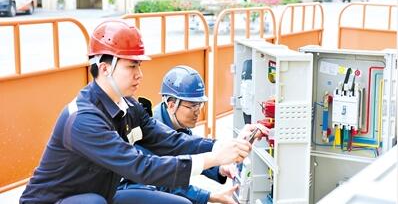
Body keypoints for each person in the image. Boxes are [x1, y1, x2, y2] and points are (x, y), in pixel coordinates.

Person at [20, 19, 255, 204]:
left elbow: (170, 141)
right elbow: (141, 168)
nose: (139, 74)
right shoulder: (83, 119)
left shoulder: (128, 106)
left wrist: (224, 146)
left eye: (139, 65)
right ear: (105, 68)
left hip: (100, 193)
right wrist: (213, 159)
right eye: (131, 66)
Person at [119, 65, 239, 204]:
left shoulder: (177, 123)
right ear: (171, 105)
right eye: (191, 106)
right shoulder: (152, 134)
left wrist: (219, 167)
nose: (197, 111)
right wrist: (209, 196)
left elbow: (189, 150)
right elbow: (164, 184)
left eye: (199, 105)